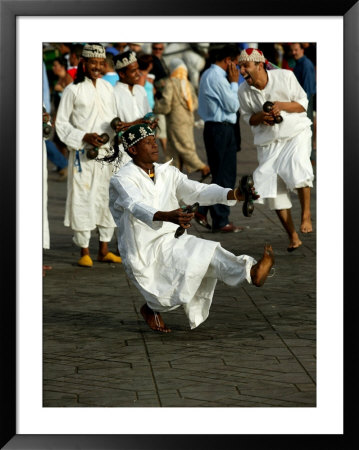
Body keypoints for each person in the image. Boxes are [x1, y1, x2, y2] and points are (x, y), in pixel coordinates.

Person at [106, 123, 275, 332]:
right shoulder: (122, 179)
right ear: (132, 150)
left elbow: (196, 190)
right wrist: (168, 215)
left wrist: (232, 194)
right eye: (147, 143)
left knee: (209, 254)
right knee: (170, 290)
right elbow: (135, 205)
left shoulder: (168, 172)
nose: (155, 145)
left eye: (154, 140)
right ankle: (151, 309)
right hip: (143, 247)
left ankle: (250, 270)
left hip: (173, 237)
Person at [237, 48, 314, 251]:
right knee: (270, 186)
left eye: (245, 66)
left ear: (259, 65)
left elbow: (302, 104)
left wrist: (281, 105)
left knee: (298, 166)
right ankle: (293, 237)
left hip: (295, 133)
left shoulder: (285, 76)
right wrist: (263, 117)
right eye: (239, 66)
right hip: (268, 142)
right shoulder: (243, 90)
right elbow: (248, 118)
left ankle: (306, 214)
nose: (242, 70)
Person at [55, 43, 124, 267]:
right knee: (82, 199)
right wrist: (85, 136)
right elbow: (61, 124)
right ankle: (84, 250)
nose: (96, 66)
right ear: (83, 63)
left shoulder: (107, 87)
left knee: (107, 199)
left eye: (100, 63)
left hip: (107, 153)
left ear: (104, 65)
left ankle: (104, 249)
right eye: (92, 63)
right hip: (83, 154)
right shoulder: (72, 90)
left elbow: (113, 117)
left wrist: (112, 133)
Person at [196, 44, 242, 233]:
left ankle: (203, 209)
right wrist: (234, 82)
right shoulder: (216, 77)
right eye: (237, 63)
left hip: (221, 128)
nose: (237, 68)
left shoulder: (211, 74)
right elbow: (232, 105)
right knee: (224, 176)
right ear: (228, 61)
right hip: (220, 128)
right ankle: (220, 219)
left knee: (221, 173)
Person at [153, 58, 210, 178]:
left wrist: (155, 107)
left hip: (175, 122)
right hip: (188, 120)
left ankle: (203, 168)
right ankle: (171, 176)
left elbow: (166, 104)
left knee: (185, 148)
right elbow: (194, 103)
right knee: (172, 149)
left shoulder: (171, 82)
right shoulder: (188, 83)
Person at [290, 43, 316, 163]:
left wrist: (300, 105)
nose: (294, 52)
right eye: (292, 50)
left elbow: (307, 89)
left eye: (296, 50)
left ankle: (308, 158)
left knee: (306, 128)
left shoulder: (306, 65)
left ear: (302, 50)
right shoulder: (298, 64)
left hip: (305, 101)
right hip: (300, 101)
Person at [113, 51, 152, 126]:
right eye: (133, 71)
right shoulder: (113, 93)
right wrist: (136, 123)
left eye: (138, 69)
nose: (138, 73)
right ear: (122, 74)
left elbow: (148, 114)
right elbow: (115, 124)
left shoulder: (141, 90)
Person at [150, 43, 170, 161]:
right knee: (161, 130)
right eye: (155, 48)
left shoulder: (161, 59)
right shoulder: (153, 61)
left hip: (162, 98)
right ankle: (168, 157)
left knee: (160, 129)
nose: (157, 50)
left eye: (160, 49)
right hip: (157, 100)